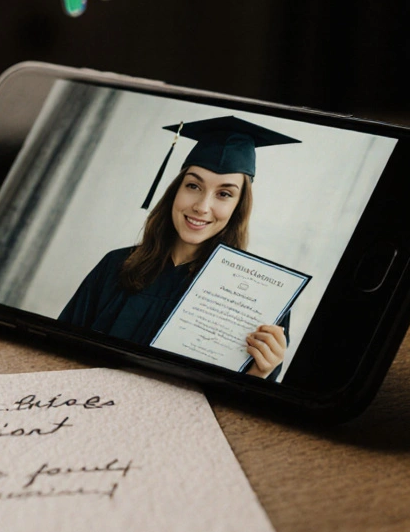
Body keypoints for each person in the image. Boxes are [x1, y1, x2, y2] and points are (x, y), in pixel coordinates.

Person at [59, 116, 298, 380]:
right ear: (176, 190)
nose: (202, 207)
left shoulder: (256, 300)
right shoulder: (115, 266)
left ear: (238, 207)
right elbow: (58, 350)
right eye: (193, 186)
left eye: (224, 194)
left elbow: (234, 402)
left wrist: (259, 373)